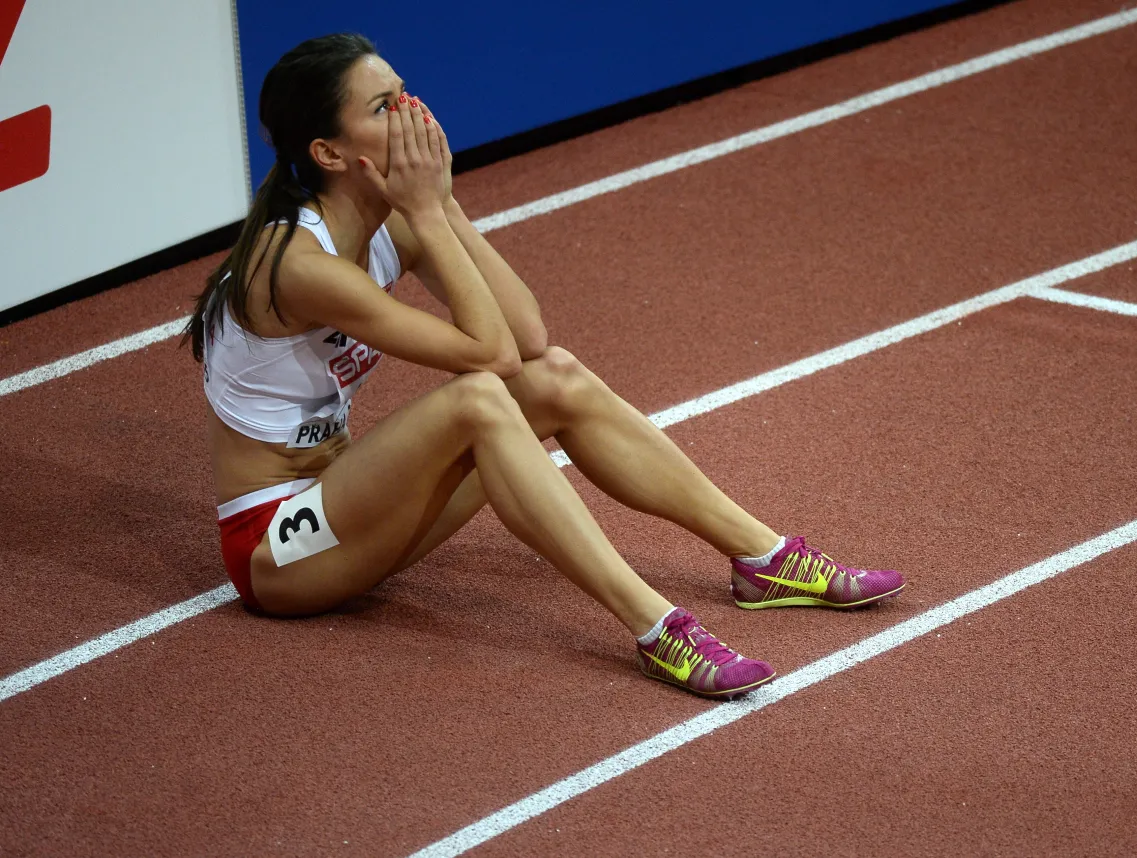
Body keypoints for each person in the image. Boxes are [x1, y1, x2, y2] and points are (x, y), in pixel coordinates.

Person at [182, 33, 904, 701]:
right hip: (280, 551)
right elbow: (491, 357)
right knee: (478, 400)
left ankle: (764, 559)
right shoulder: (295, 264)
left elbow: (527, 336)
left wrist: (444, 210)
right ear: (330, 153)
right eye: (382, 107)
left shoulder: (389, 225)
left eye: (405, 94)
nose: (411, 116)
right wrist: (428, 216)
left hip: (356, 505)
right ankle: (657, 628)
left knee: (554, 376)